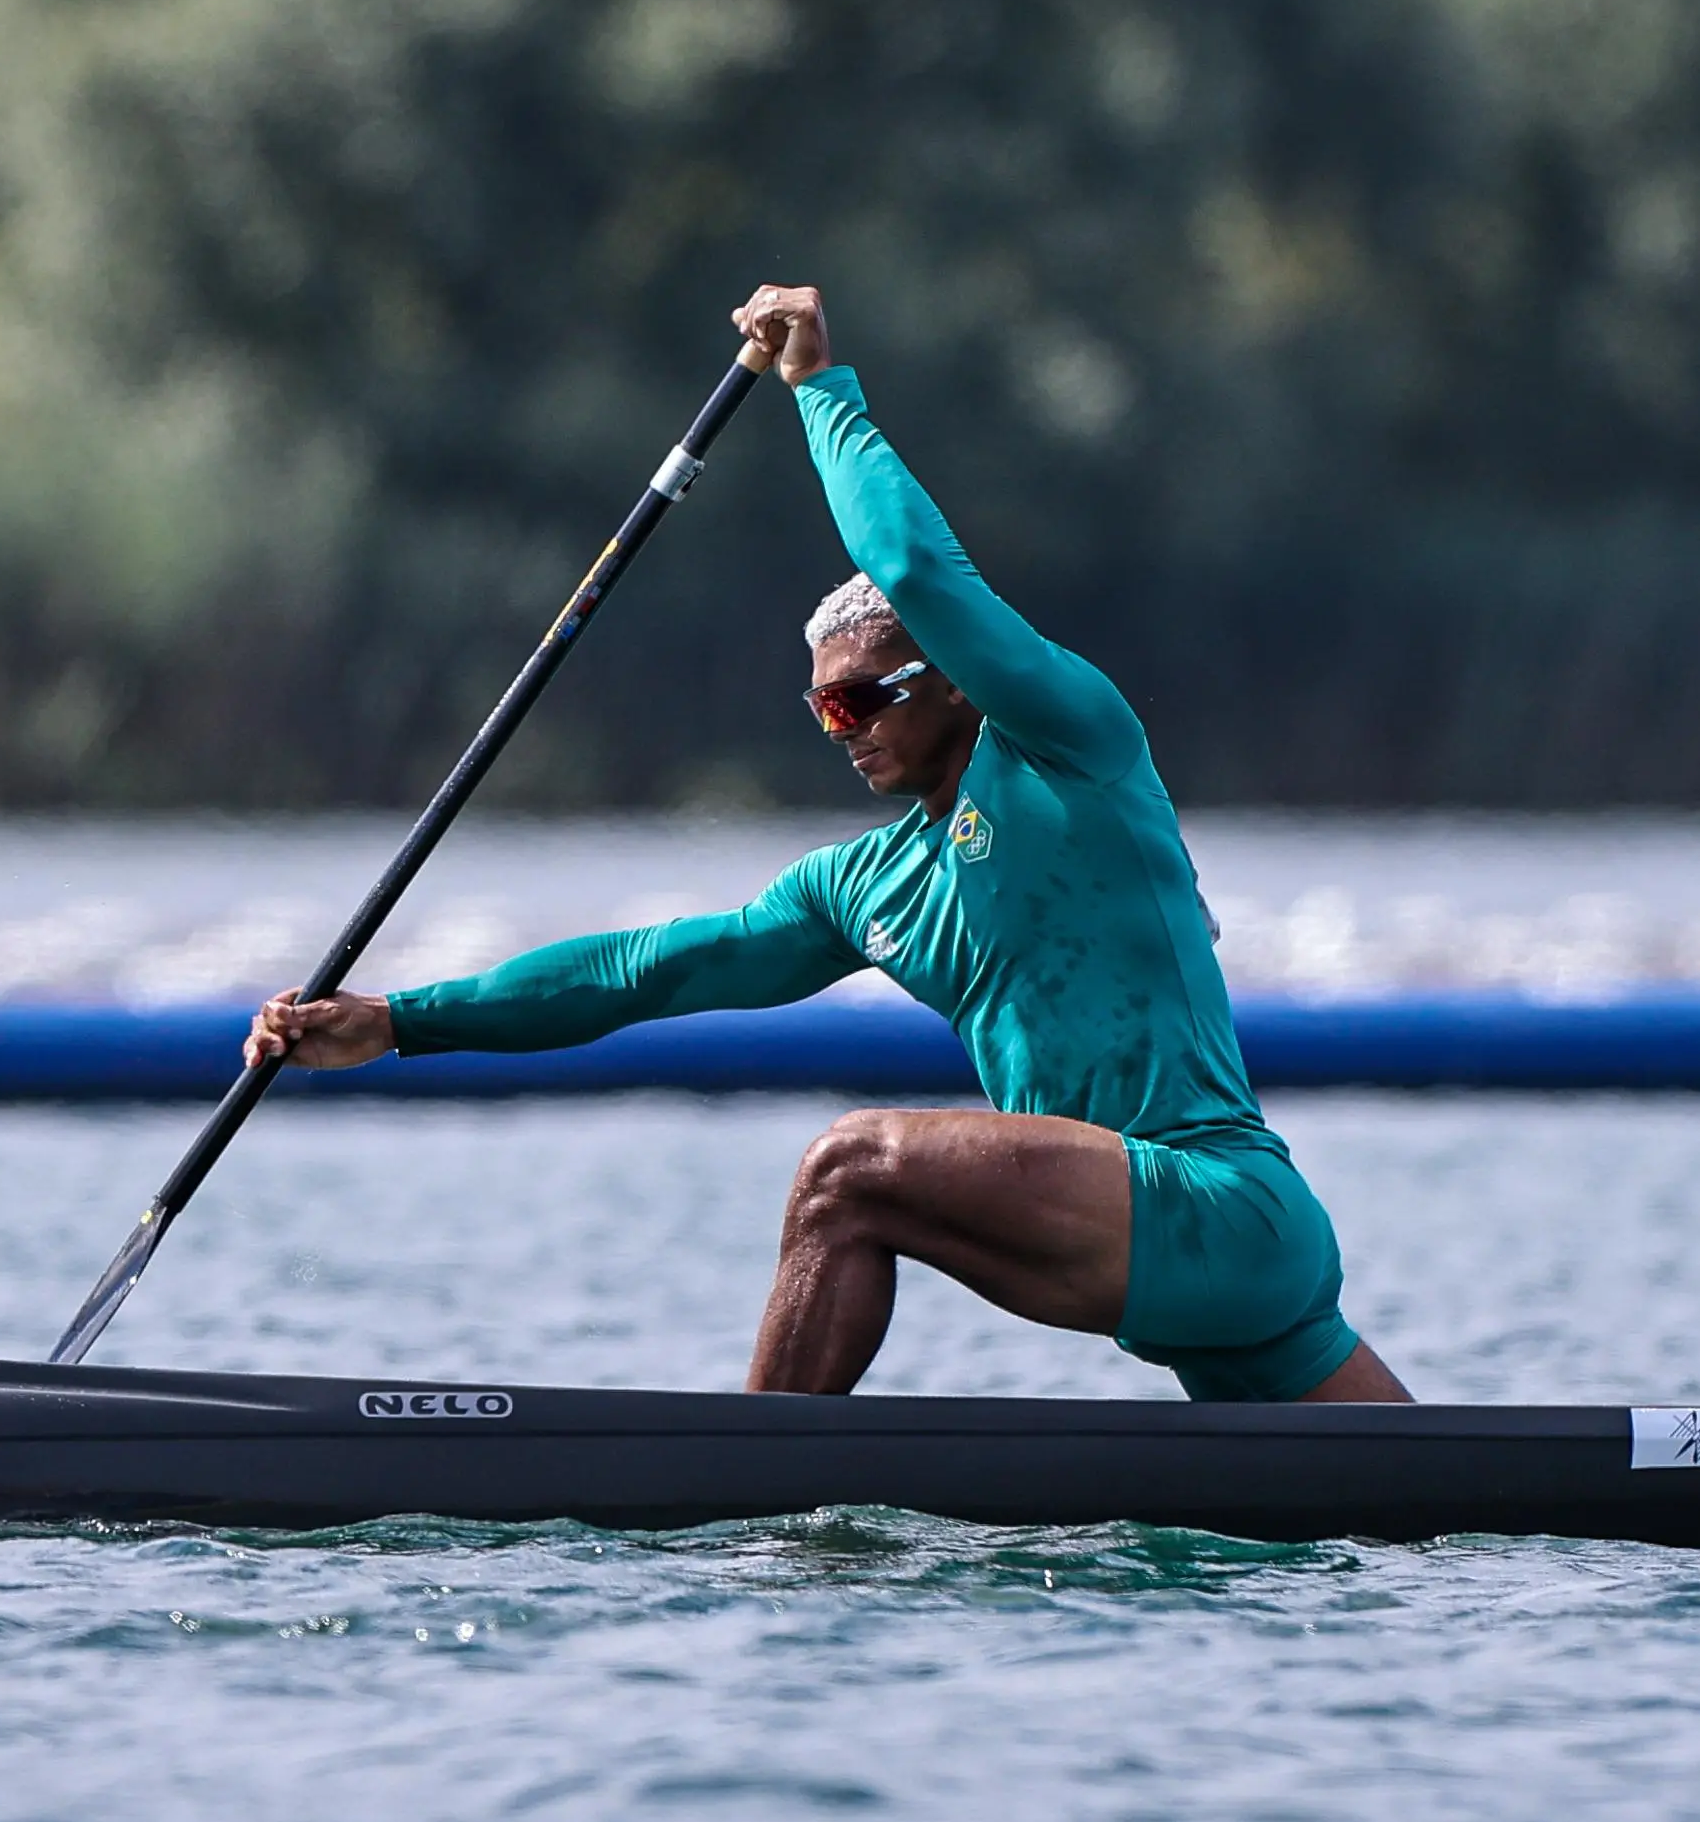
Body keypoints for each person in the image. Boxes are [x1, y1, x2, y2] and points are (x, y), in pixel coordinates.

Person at [251, 283, 1405, 1403]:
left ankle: (753, 1498)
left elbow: (912, 569)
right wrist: (404, 1021)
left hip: (1217, 1204)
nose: (839, 730)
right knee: (1437, 1507)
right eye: (821, 711)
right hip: (1179, 1257)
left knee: (846, 1175)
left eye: (863, 698)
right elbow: (647, 970)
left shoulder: (1071, 743)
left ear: (954, 678)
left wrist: (818, 388)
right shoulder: (863, 884)